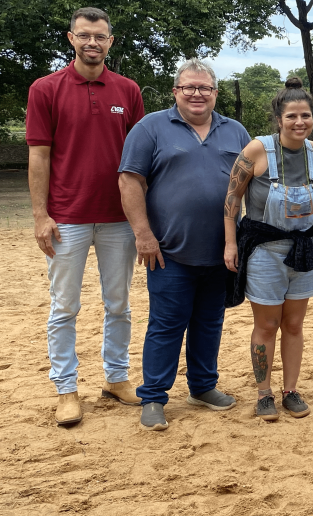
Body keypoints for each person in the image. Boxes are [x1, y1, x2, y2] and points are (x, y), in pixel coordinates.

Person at [26, 7, 145, 426]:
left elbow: (139, 158)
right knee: (65, 307)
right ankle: (66, 389)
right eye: (84, 35)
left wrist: (141, 218)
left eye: (100, 36)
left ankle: (116, 378)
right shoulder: (45, 88)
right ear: (71, 38)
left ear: (111, 41)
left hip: (118, 218)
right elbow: (38, 156)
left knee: (119, 305)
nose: (92, 42)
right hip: (67, 218)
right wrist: (41, 215)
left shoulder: (128, 91)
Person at [118, 59, 250, 431]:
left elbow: (251, 185)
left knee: (210, 322)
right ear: (175, 91)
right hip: (168, 251)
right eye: (189, 87)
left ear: (215, 93)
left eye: (205, 88)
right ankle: (155, 397)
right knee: (166, 324)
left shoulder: (236, 131)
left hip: (221, 250)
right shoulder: (150, 128)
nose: (197, 94)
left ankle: (202, 387)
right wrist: (143, 235)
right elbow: (129, 181)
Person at [222, 77, 313, 421]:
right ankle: (263, 393)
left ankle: (291, 390)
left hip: (306, 251)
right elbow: (231, 199)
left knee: (295, 324)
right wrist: (230, 243)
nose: (299, 122)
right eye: (292, 116)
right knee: (267, 324)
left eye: (305, 116)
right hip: (264, 252)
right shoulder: (256, 150)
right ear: (279, 119)